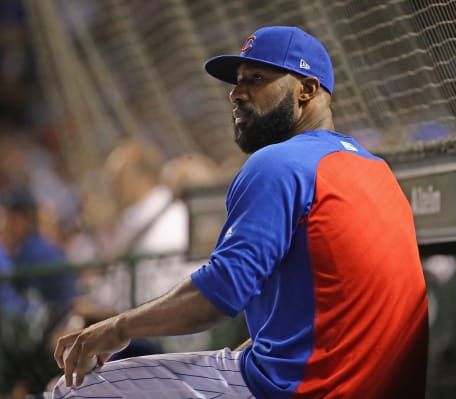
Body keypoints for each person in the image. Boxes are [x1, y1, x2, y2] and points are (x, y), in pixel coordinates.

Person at [52, 26, 429, 399]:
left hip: (298, 389)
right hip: (377, 385)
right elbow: (336, 307)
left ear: (307, 90)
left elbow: (222, 291)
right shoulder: (378, 171)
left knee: (77, 391)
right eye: (237, 81)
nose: (236, 93)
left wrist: (116, 328)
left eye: (257, 78)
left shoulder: (281, 162)